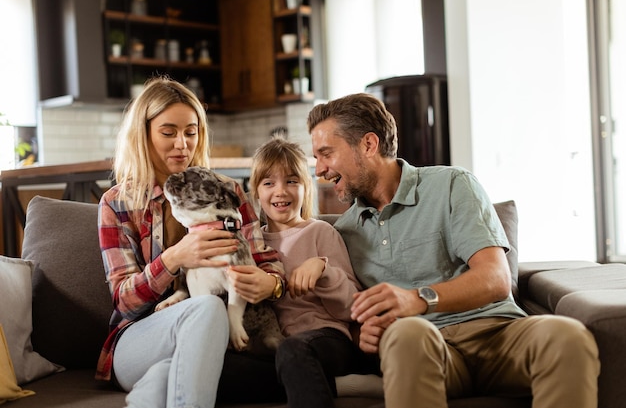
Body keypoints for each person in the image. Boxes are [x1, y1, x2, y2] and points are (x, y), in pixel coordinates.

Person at [307, 92, 601, 408]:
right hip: (425, 348)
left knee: (567, 336)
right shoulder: (341, 233)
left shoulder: (451, 184)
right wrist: (360, 335)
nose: (319, 169)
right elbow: (345, 315)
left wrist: (417, 298)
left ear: (368, 145)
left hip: (499, 334)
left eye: (326, 154)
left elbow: (495, 278)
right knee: (407, 338)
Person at [95, 76, 286, 408]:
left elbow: (264, 259)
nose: (182, 144)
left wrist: (270, 284)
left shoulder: (227, 191)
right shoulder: (117, 203)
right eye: (168, 133)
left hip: (210, 343)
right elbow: (124, 301)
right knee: (209, 306)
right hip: (139, 341)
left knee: (160, 385)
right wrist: (174, 259)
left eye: (191, 132)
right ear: (143, 134)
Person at [248, 137, 364, 408]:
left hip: (325, 338)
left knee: (293, 351)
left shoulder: (320, 232)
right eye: (269, 183)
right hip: (275, 348)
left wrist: (323, 269)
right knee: (220, 369)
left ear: (305, 187)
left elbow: (351, 307)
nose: (281, 191)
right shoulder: (251, 243)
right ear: (256, 192)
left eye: (291, 181)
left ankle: (304, 376)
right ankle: (333, 385)